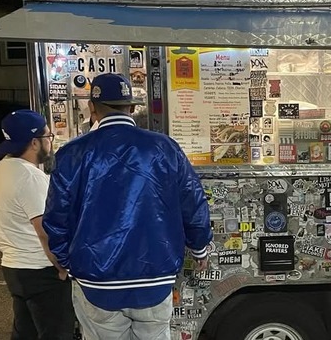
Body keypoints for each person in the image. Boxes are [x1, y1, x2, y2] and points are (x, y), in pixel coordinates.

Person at [44, 73, 213, 340]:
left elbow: (56, 218)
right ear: (132, 107)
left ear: (92, 108)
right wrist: (200, 248)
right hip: (154, 276)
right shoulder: (164, 147)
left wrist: (68, 262)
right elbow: (193, 202)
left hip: (96, 280)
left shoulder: (72, 153)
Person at [0, 110, 74, 340]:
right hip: (41, 272)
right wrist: (63, 266)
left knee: (25, 333)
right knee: (57, 333)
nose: (50, 141)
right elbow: (46, 231)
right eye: (48, 137)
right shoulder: (29, 177)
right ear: (35, 142)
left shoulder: (2, 168)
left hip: (15, 269)